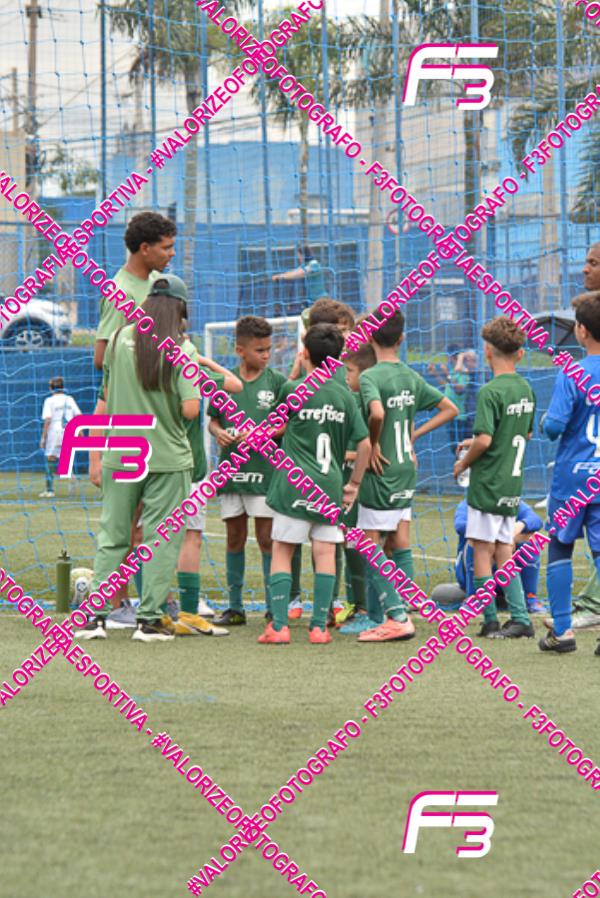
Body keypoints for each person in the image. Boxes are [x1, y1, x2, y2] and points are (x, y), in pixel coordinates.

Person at [74, 275, 200, 643]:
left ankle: (95, 618)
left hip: (122, 453)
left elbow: (106, 397)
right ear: (179, 309)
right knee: (160, 539)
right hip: (167, 457)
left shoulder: (117, 339)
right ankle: (148, 621)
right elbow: (191, 409)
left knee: (113, 536)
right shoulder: (182, 349)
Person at [90, 212, 177, 621]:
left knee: (157, 517)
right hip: (130, 415)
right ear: (144, 248)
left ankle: (156, 598)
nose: (171, 254)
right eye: (166, 247)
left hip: (160, 413)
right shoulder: (121, 291)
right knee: (127, 520)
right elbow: (101, 358)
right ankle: (116, 602)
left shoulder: (161, 287)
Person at [261, 323, 370, 644]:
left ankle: (279, 627)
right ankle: (319, 627)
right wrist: (354, 484)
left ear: (305, 352)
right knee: (325, 553)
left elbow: (272, 428)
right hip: (329, 486)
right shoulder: (345, 396)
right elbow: (365, 444)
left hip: (295, 484)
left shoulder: (293, 390)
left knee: (282, 550)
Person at [356, 310, 458, 643]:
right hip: (406, 466)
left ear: (370, 336)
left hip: (381, 467)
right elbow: (450, 409)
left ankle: (397, 617)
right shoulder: (410, 377)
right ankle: (405, 606)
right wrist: (412, 436)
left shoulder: (371, 376)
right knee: (400, 541)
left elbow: (377, 413)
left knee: (368, 542)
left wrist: (373, 442)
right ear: (401, 338)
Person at [454, 316, 535, 639]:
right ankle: (520, 618)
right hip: (512, 483)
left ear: (487, 351)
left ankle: (489, 620)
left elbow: (486, 440)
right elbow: (523, 434)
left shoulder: (490, 391)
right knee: (503, 548)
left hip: (488, 483)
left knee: (481, 549)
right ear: (520, 353)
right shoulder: (525, 389)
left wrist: (464, 463)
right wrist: (475, 441)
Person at [208, 317, 287, 627]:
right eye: (259, 350)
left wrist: (262, 434)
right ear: (240, 350)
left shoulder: (276, 382)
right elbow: (213, 420)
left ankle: (272, 606)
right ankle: (235, 607)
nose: (266, 355)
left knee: (267, 539)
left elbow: (287, 423)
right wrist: (218, 432)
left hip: (264, 472)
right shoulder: (225, 382)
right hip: (231, 473)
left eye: (269, 349)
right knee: (234, 538)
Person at [287, 298, 357, 621]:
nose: (344, 336)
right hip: (302, 463)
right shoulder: (307, 368)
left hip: (337, 463)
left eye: (346, 330)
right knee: (292, 534)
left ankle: (332, 602)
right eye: (339, 330)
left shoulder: (349, 370)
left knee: (334, 535)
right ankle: (291, 598)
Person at [539, 292, 600, 654]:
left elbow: (554, 427)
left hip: (573, 478)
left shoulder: (573, 372)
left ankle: (562, 632)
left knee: (561, 546)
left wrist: (547, 420)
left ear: (581, 330)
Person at [431, 499, 544, 614]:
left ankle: (530, 597)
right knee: (478, 540)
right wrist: (498, 533)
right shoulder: (470, 503)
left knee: (531, 538)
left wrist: (519, 526)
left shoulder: (510, 501)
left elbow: (536, 520)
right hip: (473, 569)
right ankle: (474, 596)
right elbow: (460, 526)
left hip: (504, 570)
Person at [335, 342, 377, 631]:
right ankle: (356, 603)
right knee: (347, 542)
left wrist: (347, 454)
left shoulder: (367, 401)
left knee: (360, 544)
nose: (346, 375)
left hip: (361, 483)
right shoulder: (348, 396)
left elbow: (366, 446)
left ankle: (366, 606)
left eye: (349, 370)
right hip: (346, 479)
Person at [39, 377, 82, 498]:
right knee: (65, 457)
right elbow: (79, 415)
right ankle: (71, 476)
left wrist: (43, 437)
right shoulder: (69, 399)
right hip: (69, 430)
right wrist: (80, 431)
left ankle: (49, 490)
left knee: (51, 458)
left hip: (55, 431)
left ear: (51, 388)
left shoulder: (49, 401)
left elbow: (48, 419)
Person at [428, 345, 472, 452]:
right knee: (454, 448)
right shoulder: (453, 369)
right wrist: (435, 374)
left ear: (453, 357)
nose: (447, 359)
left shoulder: (463, 371)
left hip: (459, 417)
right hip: (450, 416)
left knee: (460, 448)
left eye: (448, 356)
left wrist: (447, 373)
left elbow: (459, 389)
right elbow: (448, 386)